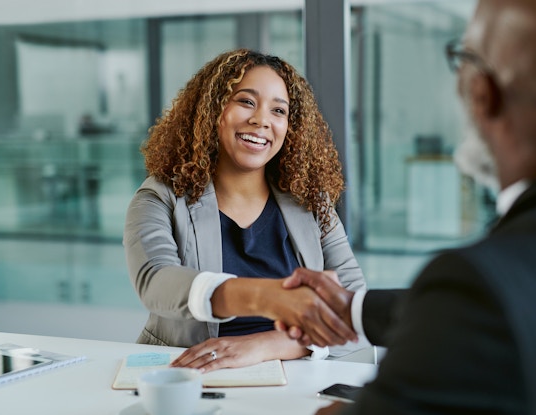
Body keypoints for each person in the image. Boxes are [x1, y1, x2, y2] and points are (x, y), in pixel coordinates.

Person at [273, 0, 536, 413]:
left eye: (463, 59)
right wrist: (354, 310)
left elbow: (475, 311)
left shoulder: (480, 286)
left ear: (482, 93)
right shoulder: (525, 273)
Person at [123, 48, 370, 373]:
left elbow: (355, 310)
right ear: (213, 110)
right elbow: (156, 282)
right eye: (246, 101)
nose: (261, 120)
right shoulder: (161, 197)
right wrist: (267, 297)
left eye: (278, 110)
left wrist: (263, 346)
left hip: (293, 377)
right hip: (191, 375)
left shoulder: (311, 203)